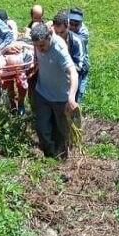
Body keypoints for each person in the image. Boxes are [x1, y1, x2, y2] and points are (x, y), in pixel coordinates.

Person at [29, 23, 79, 159]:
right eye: (37, 46)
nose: (40, 49)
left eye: (42, 45)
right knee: (42, 128)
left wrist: (71, 97)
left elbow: (73, 73)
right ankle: (50, 157)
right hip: (42, 93)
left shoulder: (59, 49)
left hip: (60, 97)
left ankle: (63, 156)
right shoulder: (38, 42)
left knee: (61, 131)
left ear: (50, 36)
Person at [52, 10, 86, 83]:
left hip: (76, 75)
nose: (59, 36)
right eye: (56, 32)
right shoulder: (51, 37)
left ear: (68, 27)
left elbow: (79, 67)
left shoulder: (77, 41)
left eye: (62, 32)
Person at [68, 7, 90, 102]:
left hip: (81, 65)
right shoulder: (66, 26)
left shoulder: (83, 33)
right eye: (71, 23)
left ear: (81, 23)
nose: (73, 27)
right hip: (71, 61)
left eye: (76, 24)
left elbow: (76, 41)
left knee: (79, 93)